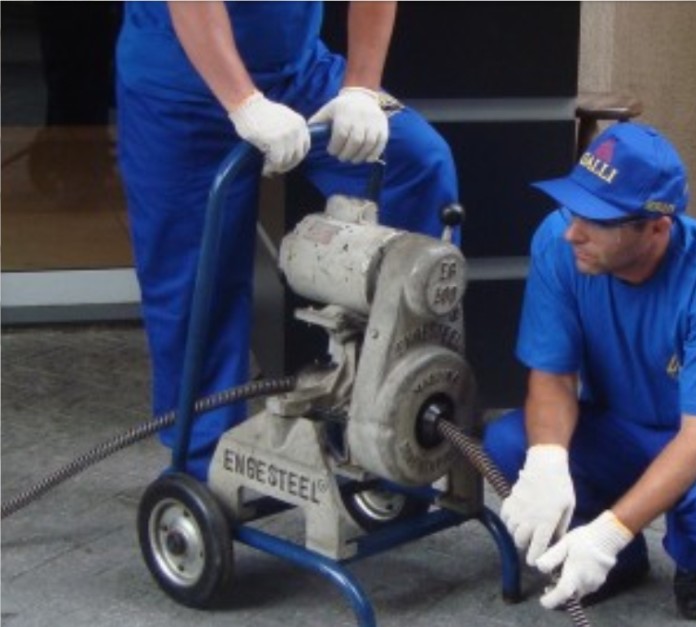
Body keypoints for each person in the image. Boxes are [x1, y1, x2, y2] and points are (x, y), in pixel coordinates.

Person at [116, 1, 457, 478]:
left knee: (416, 164)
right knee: (194, 282)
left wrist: (360, 89)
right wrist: (245, 104)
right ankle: (202, 468)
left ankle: (384, 419)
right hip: (179, 85)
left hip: (298, 72)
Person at [484, 123, 696, 619]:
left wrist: (608, 533)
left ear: (657, 227)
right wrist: (546, 461)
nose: (572, 232)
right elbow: (554, 376)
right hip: (620, 421)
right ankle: (619, 563)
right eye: (573, 209)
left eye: (598, 220)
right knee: (510, 444)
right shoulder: (559, 243)